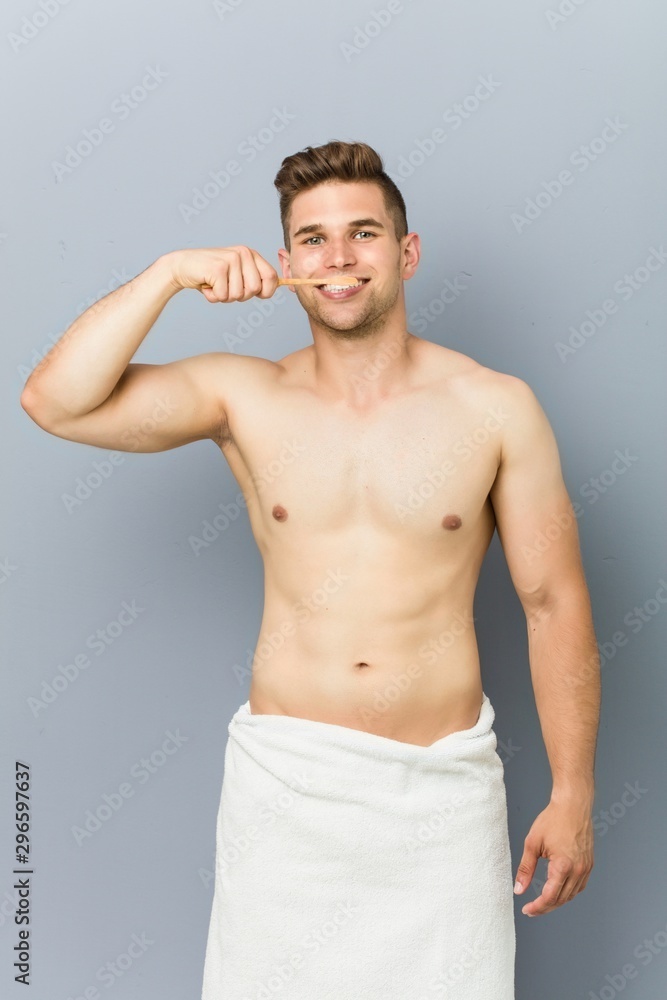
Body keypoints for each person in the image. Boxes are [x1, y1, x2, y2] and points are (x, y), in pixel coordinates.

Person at [20, 140, 600, 999]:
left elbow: (553, 604)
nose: (338, 258)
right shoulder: (243, 396)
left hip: (438, 793)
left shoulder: (494, 407)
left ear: (405, 252)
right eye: (313, 239)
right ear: (286, 262)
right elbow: (54, 402)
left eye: (362, 233)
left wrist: (573, 791)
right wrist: (170, 274)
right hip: (287, 790)